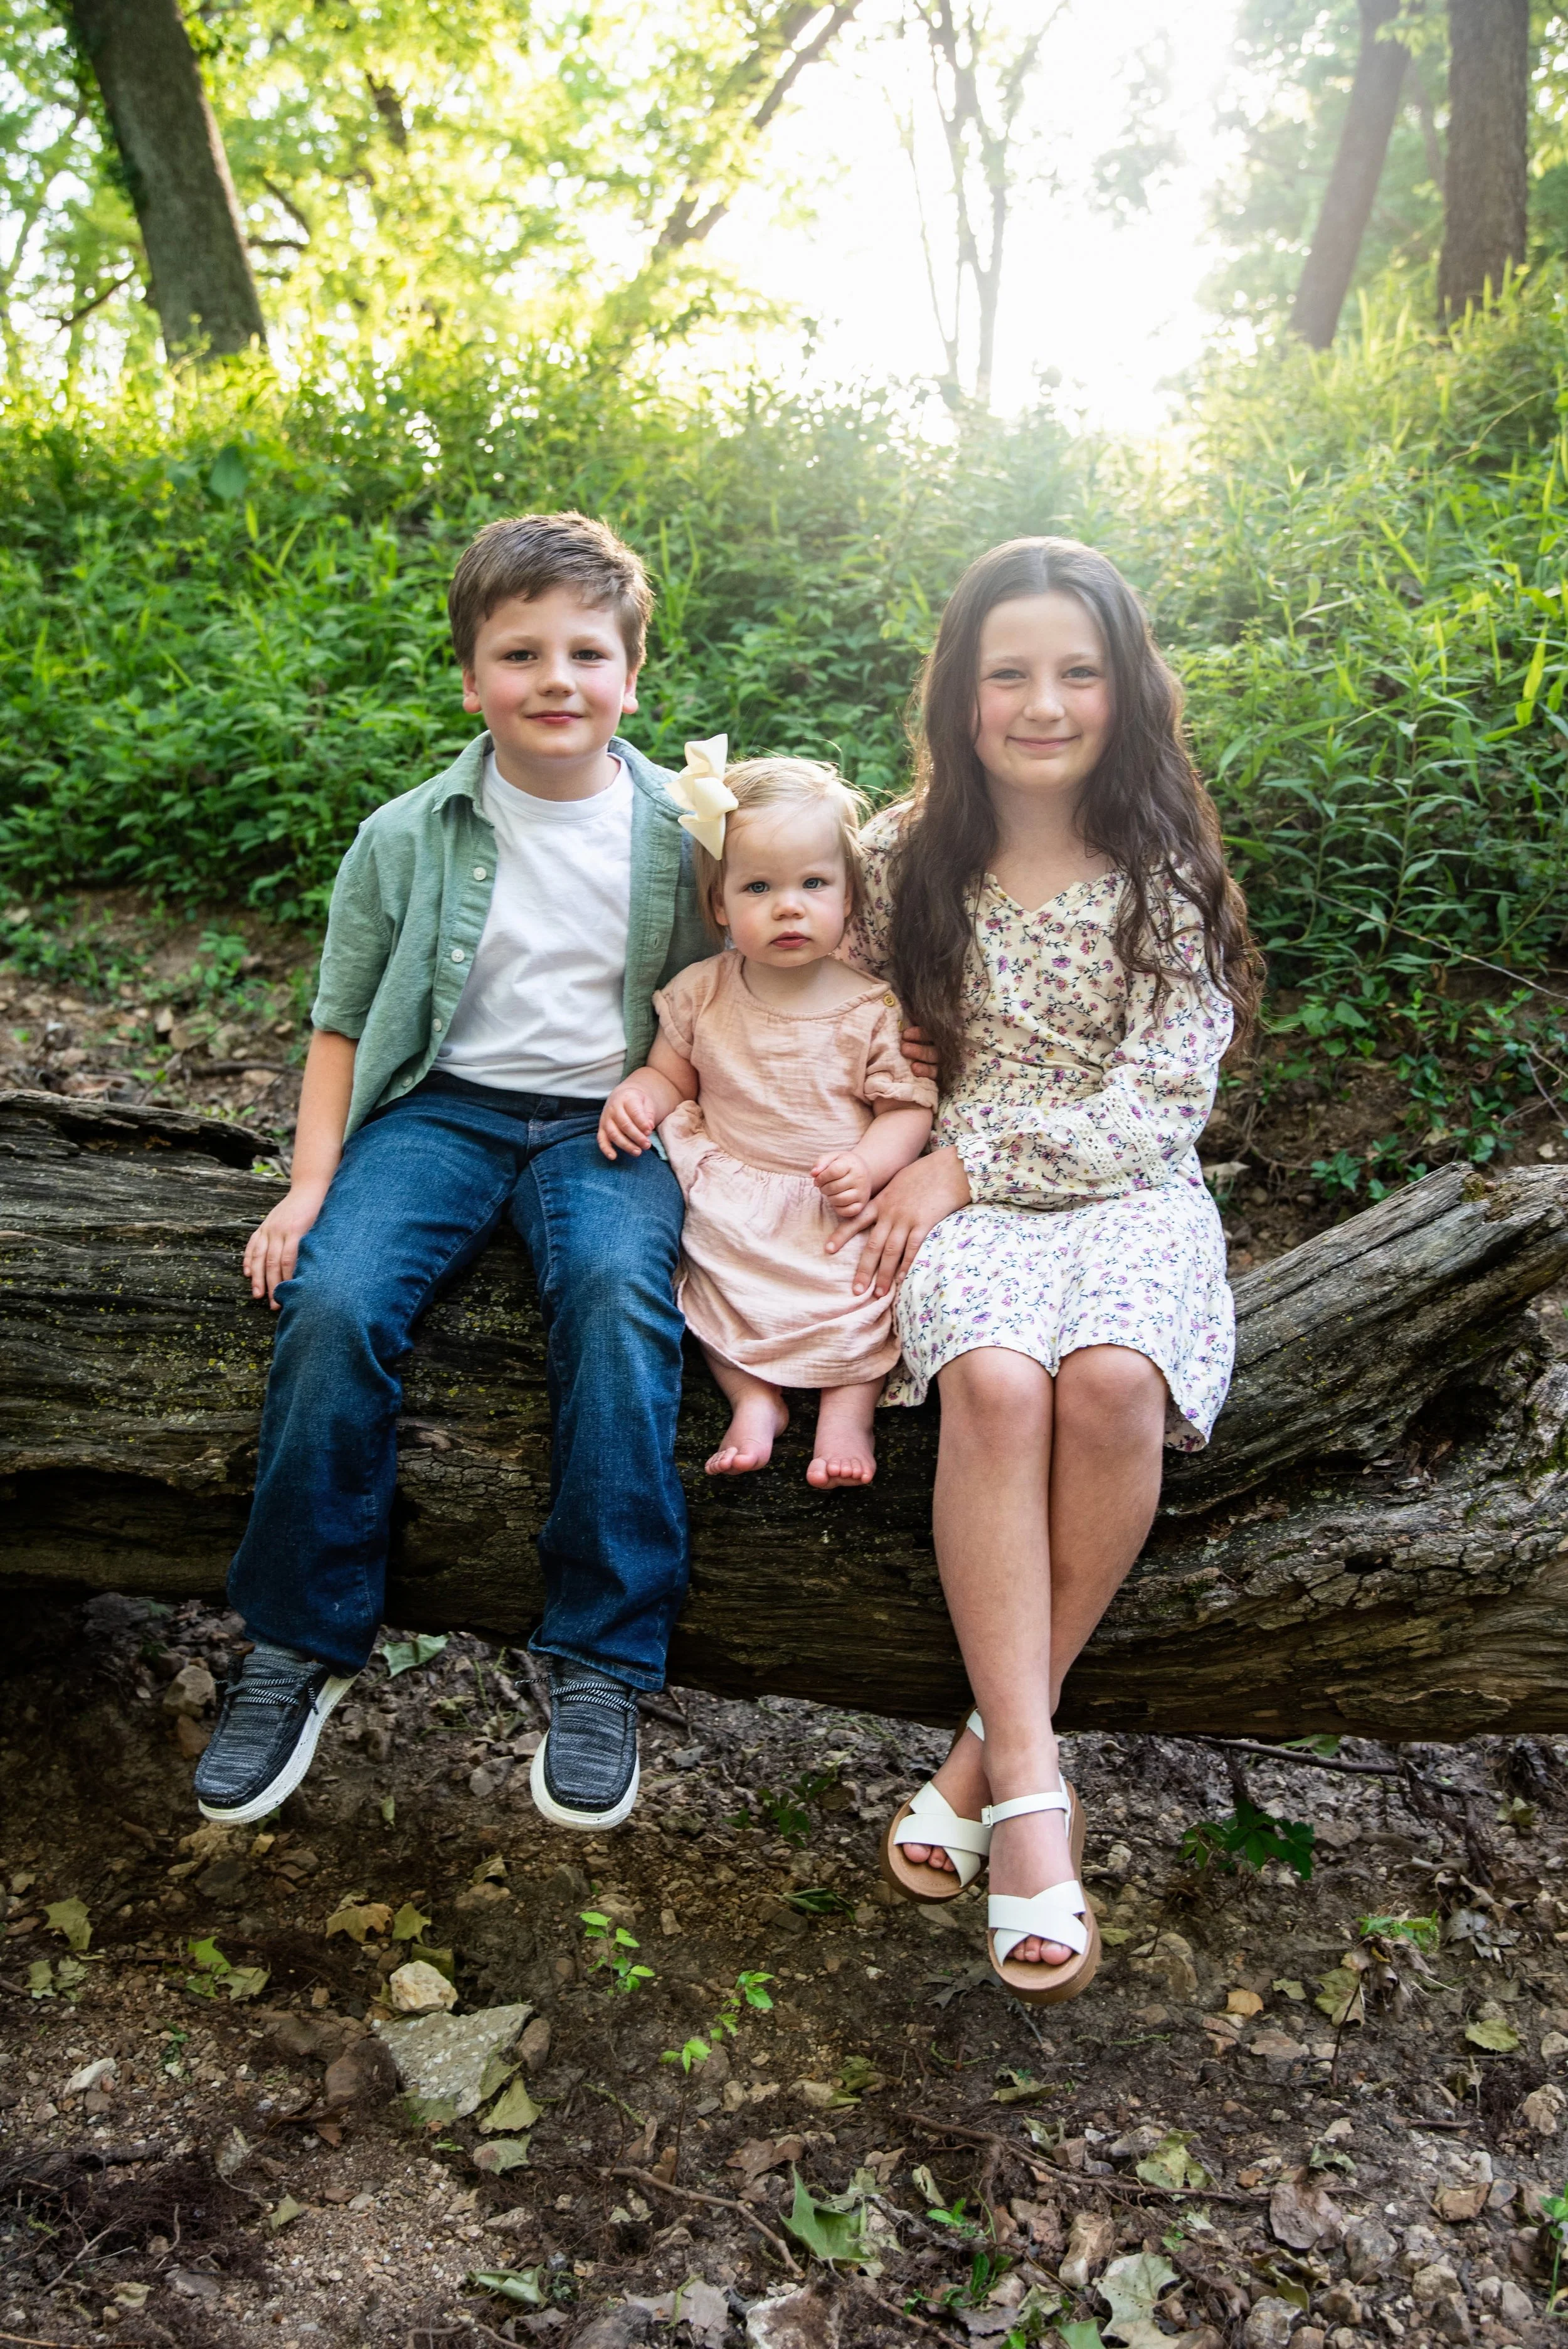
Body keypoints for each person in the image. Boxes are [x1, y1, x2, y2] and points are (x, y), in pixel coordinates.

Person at [193, 511, 712, 1835]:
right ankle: (298, 1643)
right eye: (518, 651)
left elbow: (746, 993)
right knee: (334, 1297)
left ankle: (599, 1659)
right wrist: (309, 1190)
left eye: (587, 652)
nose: (556, 679)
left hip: (610, 1118)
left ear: (632, 676)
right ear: (471, 676)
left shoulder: (684, 832)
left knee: (614, 1297)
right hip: (444, 1112)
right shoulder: (408, 834)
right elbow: (343, 1024)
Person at [845, 536, 1261, 2005]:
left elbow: (1160, 1109)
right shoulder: (898, 861)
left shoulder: (1163, 874)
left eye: (1076, 672)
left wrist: (974, 1153)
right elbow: (823, 1018)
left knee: (1109, 1385)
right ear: (959, 695)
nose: (1043, 702)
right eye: (1008, 672)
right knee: (1004, 1388)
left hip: (1130, 1196)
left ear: (1125, 691)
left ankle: (988, 1762)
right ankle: (1037, 1798)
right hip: (960, 1214)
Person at [597, 752, 938, 1490]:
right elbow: (671, 1073)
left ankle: (849, 1413)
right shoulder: (702, 991)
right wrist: (639, 1098)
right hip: (737, 1194)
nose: (789, 905)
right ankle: (754, 1398)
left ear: (850, 897)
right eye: (758, 886)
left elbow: (905, 1108)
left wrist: (870, 1166)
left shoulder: (873, 1006)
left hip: (831, 1201)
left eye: (813, 883)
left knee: (863, 1297)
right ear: (719, 905)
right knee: (713, 1283)